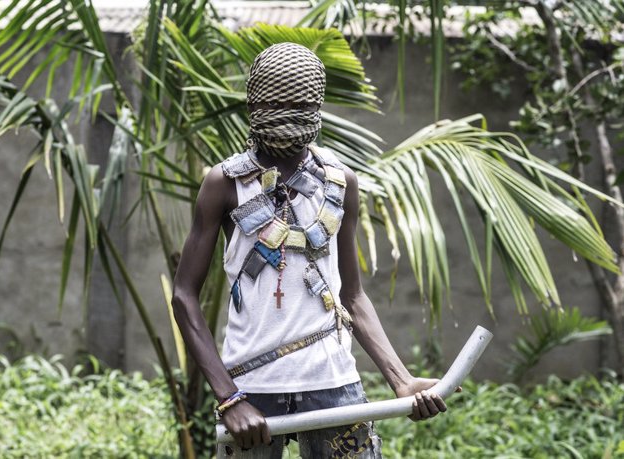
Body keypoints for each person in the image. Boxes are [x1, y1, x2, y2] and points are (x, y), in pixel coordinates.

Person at [172, 42, 451, 458]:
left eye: (300, 103)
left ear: (316, 106)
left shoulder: (340, 182)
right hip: (252, 390)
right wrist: (229, 398)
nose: (289, 114)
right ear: (255, 104)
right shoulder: (225, 183)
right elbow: (183, 296)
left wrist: (401, 379)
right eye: (276, 102)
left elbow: (351, 296)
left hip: (333, 382)